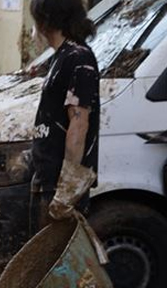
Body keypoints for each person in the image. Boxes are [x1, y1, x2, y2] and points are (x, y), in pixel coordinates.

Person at [28, 0, 99, 224]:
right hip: (47, 178)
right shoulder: (61, 57)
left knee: (59, 258)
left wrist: (67, 190)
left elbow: (79, 124)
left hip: (60, 186)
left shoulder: (79, 58)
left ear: (45, 21)